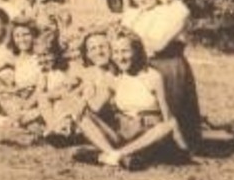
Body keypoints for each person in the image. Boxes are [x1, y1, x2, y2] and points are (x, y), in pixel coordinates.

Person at [78, 32, 188, 168]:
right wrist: (86, 95)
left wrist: (182, 147)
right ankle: (115, 155)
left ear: (137, 51)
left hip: (148, 133)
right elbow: (95, 108)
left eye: (125, 51)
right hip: (123, 132)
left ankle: (112, 156)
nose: (120, 57)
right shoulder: (113, 78)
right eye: (116, 52)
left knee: (167, 126)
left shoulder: (153, 76)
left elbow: (167, 117)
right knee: (82, 117)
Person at [132, 0, 204, 155]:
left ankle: (181, 144)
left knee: (172, 107)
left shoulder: (181, 11)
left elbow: (160, 44)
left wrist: (133, 39)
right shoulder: (159, 9)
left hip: (171, 65)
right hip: (153, 63)